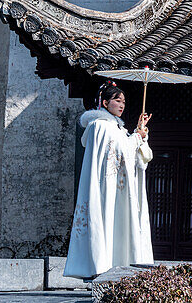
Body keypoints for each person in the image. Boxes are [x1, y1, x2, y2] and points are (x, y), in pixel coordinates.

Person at [63, 81, 155, 280]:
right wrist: (136, 138)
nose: (122, 105)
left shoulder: (117, 129)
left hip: (119, 189)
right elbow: (119, 152)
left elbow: (131, 154)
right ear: (105, 103)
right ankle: (100, 267)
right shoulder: (100, 126)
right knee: (105, 221)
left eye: (123, 101)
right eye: (117, 100)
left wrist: (139, 133)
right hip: (105, 187)